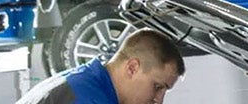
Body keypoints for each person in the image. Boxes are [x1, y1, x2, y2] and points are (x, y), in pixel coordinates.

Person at [16, 28, 184, 104]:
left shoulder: (84, 81)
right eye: (157, 87)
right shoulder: (86, 98)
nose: (159, 100)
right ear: (132, 68)